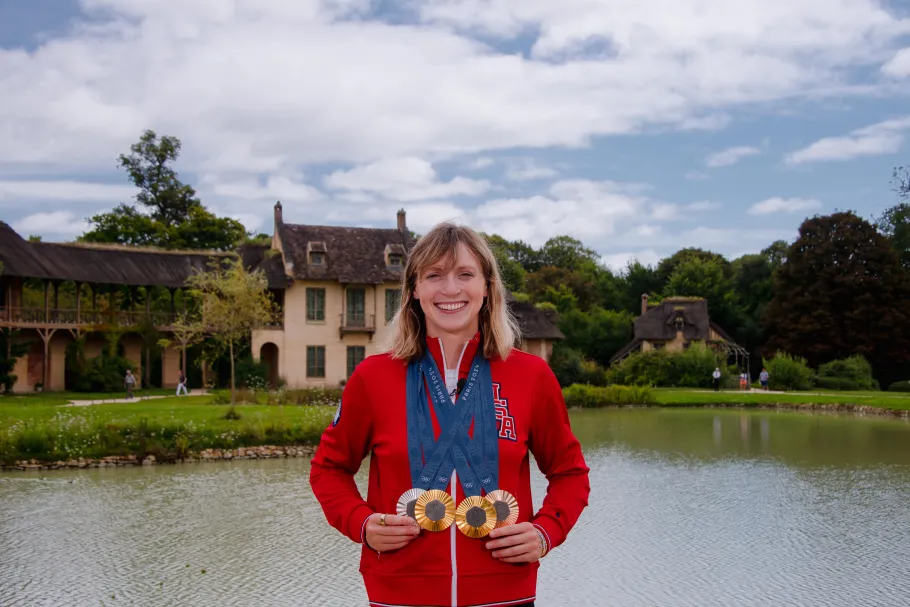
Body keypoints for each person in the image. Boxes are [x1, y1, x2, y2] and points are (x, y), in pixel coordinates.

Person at [310, 222, 590, 607]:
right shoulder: (372, 378)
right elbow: (328, 469)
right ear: (413, 291)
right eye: (434, 276)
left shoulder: (532, 376)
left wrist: (546, 532)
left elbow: (569, 472)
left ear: (487, 287)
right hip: (398, 594)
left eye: (465, 274)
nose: (450, 289)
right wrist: (361, 523)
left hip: (505, 593)